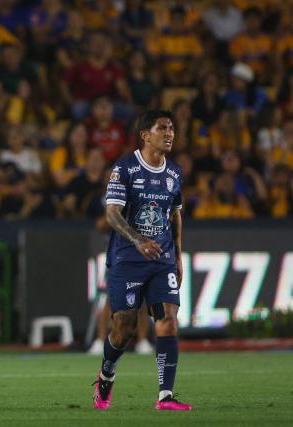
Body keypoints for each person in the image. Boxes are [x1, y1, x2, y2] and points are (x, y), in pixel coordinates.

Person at [93, 110, 192, 411]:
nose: (170, 133)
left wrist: (177, 255)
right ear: (145, 135)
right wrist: (138, 240)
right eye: (162, 128)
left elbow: (175, 214)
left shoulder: (175, 173)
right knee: (123, 327)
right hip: (127, 259)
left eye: (172, 128)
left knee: (168, 319)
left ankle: (165, 396)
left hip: (162, 259)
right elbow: (111, 213)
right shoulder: (124, 168)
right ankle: (106, 375)